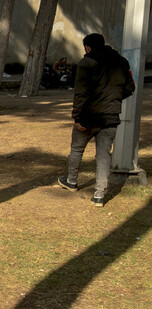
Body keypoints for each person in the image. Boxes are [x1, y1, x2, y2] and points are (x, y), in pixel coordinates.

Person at [58, 33, 135, 207]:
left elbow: (80, 93)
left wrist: (77, 117)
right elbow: (131, 87)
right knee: (103, 156)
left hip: (88, 116)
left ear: (87, 47)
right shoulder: (121, 62)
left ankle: (71, 180)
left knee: (77, 149)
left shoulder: (85, 63)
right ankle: (99, 195)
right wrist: (114, 98)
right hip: (110, 117)